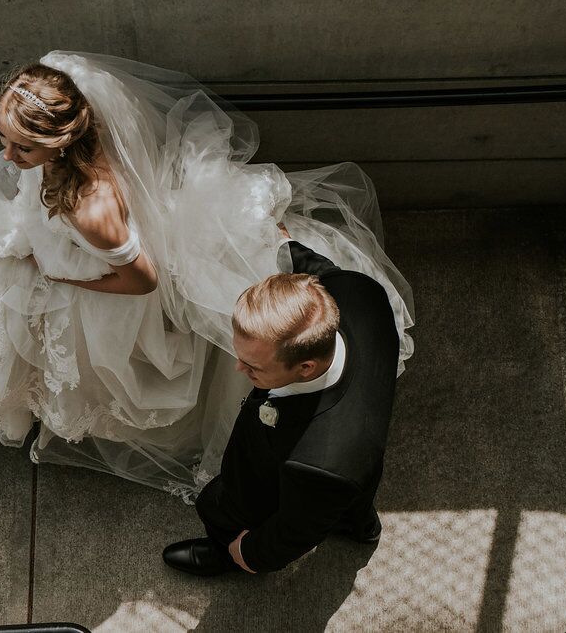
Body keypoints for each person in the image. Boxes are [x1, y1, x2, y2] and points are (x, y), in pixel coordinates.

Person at [0, 51, 413, 500]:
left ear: (63, 143)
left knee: (54, 345)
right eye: (4, 136)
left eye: (23, 147)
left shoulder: (92, 212)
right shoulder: (61, 98)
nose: (6, 155)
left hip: (97, 287)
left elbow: (142, 279)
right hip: (53, 246)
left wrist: (69, 282)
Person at [162, 236, 398, 575]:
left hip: (294, 480)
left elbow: (294, 532)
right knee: (349, 500)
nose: (238, 369)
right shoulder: (357, 290)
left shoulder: (319, 465)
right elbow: (321, 271)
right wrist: (282, 242)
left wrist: (248, 552)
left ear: (306, 368)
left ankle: (224, 556)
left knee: (225, 508)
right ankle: (361, 524)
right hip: (360, 450)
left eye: (254, 367)